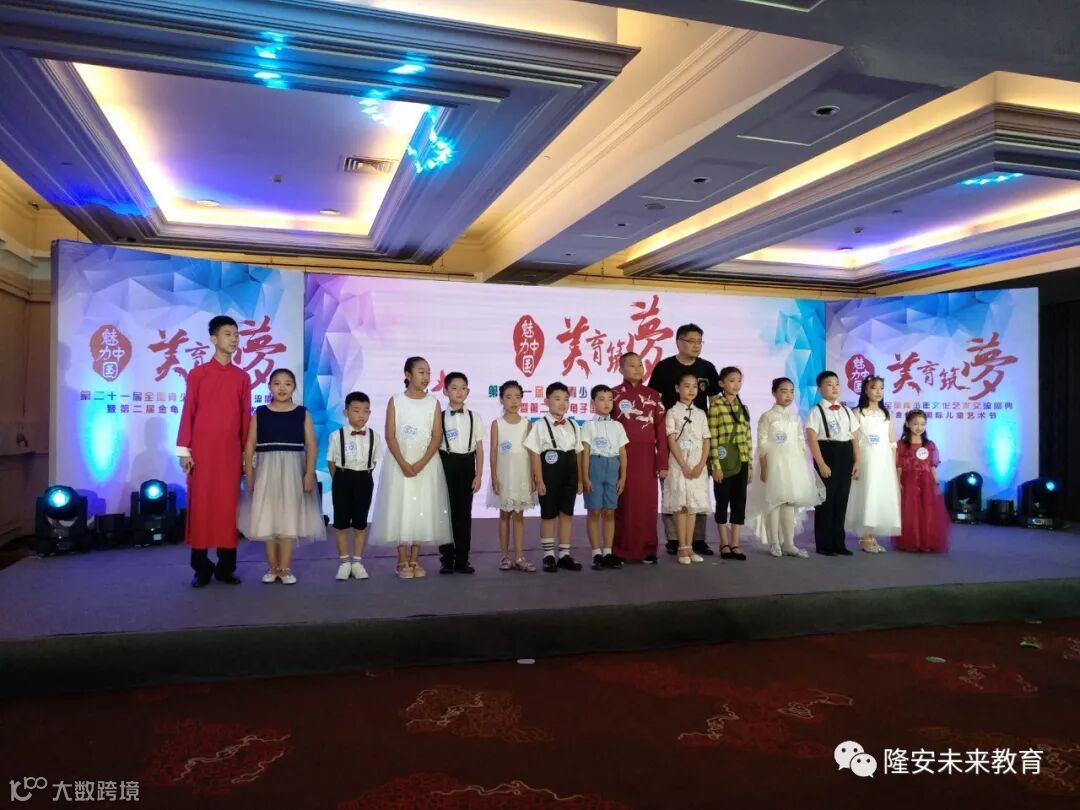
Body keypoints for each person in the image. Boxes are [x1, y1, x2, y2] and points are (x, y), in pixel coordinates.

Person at [176, 314, 251, 588]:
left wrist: (246, 455)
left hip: (230, 454)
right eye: (228, 334)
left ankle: (226, 568)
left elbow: (245, 418)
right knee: (201, 509)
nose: (234, 339)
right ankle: (201, 568)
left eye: (236, 335)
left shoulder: (242, 377)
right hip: (202, 454)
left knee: (227, 510)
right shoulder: (198, 374)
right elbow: (188, 412)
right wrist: (184, 450)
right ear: (213, 338)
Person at [368, 357, 452, 578]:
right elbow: (390, 435)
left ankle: (415, 558)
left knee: (420, 507)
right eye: (421, 372)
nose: (426, 377)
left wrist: (421, 463)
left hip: (426, 463)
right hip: (399, 461)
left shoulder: (433, 403)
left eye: (428, 373)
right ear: (408, 374)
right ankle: (401, 559)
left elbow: (436, 436)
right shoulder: (396, 401)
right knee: (401, 506)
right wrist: (404, 463)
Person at [240, 368, 325, 584]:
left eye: (287, 384)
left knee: (288, 519)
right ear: (269, 386)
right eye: (277, 383)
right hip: (266, 471)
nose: (282, 388)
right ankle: (273, 568)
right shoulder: (260, 413)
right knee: (267, 518)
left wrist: (309, 473)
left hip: (293, 471)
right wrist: (249, 474)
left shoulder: (302, 413)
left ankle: (285, 568)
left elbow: (311, 445)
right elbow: (249, 446)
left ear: (294, 388)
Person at [647, 323, 720, 557]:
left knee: (697, 487)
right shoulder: (664, 367)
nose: (696, 345)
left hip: (699, 435)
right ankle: (673, 538)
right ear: (679, 342)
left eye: (699, 341)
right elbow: (654, 400)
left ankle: (698, 539)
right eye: (691, 341)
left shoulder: (707, 368)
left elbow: (715, 402)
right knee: (673, 487)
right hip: (672, 433)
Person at [745, 377, 822, 558]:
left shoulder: (795, 417)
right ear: (774, 393)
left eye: (791, 392)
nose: (788, 395)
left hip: (793, 465)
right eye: (783, 391)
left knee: (790, 503)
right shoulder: (767, 417)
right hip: (774, 464)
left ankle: (789, 543)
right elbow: (762, 444)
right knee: (774, 503)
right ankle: (774, 543)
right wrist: (764, 467)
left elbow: (800, 442)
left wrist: (803, 467)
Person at [611, 352, 668, 564]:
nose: (637, 369)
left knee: (647, 503)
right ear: (621, 369)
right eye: (631, 365)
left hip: (647, 458)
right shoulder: (613, 395)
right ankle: (620, 549)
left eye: (640, 365)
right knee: (624, 502)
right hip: (621, 456)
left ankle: (647, 549)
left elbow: (661, 430)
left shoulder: (653, 395)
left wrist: (663, 462)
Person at [524, 382, 584, 573]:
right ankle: (548, 555)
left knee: (567, 513)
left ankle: (565, 554)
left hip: (570, 473)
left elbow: (579, 453)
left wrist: (580, 479)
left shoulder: (574, 424)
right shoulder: (540, 425)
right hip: (550, 474)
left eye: (566, 399)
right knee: (548, 514)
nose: (562, 403)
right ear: (546, 401)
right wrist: (539, 479)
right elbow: (534, 453)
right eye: (557, 399)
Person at [326, 391, 382, 581]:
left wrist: (362, 476)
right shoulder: (336, 436)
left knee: (360, 523)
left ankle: (357, 562)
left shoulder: (374, 436)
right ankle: (344, 562)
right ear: (346, 412)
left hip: (364, 480)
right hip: (342, 479)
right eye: (356, 410)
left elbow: (375, 460)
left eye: (366, 411)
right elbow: (331, 462)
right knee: (341, 523)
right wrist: (340, 479)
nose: (361, 415)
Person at [806, 370, 860, 556]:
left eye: (837, 384)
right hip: (827, 453)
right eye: (829, 384)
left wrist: (857, 461)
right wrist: (821, 463)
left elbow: (855, 437)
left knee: (841, 501)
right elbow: (812, 439)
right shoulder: (816, 411)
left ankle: (839, 543)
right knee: (825, 502)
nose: (834, 387)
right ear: (820, 389)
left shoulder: (846, 411)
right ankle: (824, 544)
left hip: (845, 455)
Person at [845, 376, 901, 553]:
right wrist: (857, 461)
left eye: (881, 388)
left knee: (879, 495)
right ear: (865, 390)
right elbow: (854, 439)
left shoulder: (887, 414)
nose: (878, 391)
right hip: (866, 459)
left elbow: (892, 441)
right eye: (874, 387)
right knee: (867, 494)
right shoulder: (858, 412)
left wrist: (892, 464)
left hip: (883, 460)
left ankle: (872, 536)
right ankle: (865, 538)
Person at [438, 372, 485, 575]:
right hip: (445, 464)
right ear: (445, 391)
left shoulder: (475, 417)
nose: (459, 392)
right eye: (454, 388)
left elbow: (479, 449)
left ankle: (462, 559)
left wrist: (479, 475)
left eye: (463, 388)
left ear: (468, 391)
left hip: (467, 464)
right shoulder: (439, 417)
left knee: (464, 514)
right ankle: (447, 559)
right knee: (445, 514)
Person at [487, 380, 537, 572]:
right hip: (504, 475)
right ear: (501, 399)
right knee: (504, 514)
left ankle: (520, 557)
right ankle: (505, 557)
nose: (513, 401)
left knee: (519, 515)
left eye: (517, 397)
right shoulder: (497, 424)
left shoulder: (527, 424)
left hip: (522, 475)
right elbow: (493, 452)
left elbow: (532, 453)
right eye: (509, 397)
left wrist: (532, 476)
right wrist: (494, 476)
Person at [662, 371, 711, 565]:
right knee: (681, 506)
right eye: (686, 386)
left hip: (697, 465)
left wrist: (701, 464)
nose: (691, 390)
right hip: (678, 464)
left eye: (694, 386)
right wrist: (683, 465)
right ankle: (681, 547)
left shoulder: (700, 414)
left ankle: (690, 546)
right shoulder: (672, 412)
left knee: (693, 507)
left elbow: (706, 439)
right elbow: (671, 440)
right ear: (677, 388)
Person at [582, 384, 628, 570]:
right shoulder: (588, 425)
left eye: (610, 399)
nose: (606, 403)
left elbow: (623, 453)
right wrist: (585, 477)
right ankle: (596, 553)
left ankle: (608, 552)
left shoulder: (618, 425)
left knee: (609, 511)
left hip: (612, 468)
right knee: (594, 511)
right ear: (593, 403)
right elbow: (585, 453)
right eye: (601, 399)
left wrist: (623, 477)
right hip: (595, 465)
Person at [708, 367, 753, 561]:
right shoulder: (716, 406)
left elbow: (748, 437)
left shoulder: (744, 407)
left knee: (739, 502)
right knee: (722, 501)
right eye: (732, 380)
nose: (736, 384)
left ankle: (736, 543)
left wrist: (749, 465)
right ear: (721, 383)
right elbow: (713, 437)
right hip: (724, 462)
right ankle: (724, 543)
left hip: (741, 461)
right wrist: (715, 466)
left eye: (739, 380)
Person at [894, 409, 951, 553]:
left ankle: (927, 541)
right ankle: (912, 540)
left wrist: (935, 481)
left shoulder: (929, 445)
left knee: (928, 510)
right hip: (909, 481)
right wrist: (897, 481)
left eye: (922, 424)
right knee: (910, 511)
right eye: (915, 424)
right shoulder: (901, 444)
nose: (919, 427)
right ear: (907, 424)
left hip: (926, 481)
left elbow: (932, 465)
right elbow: (899, 466)